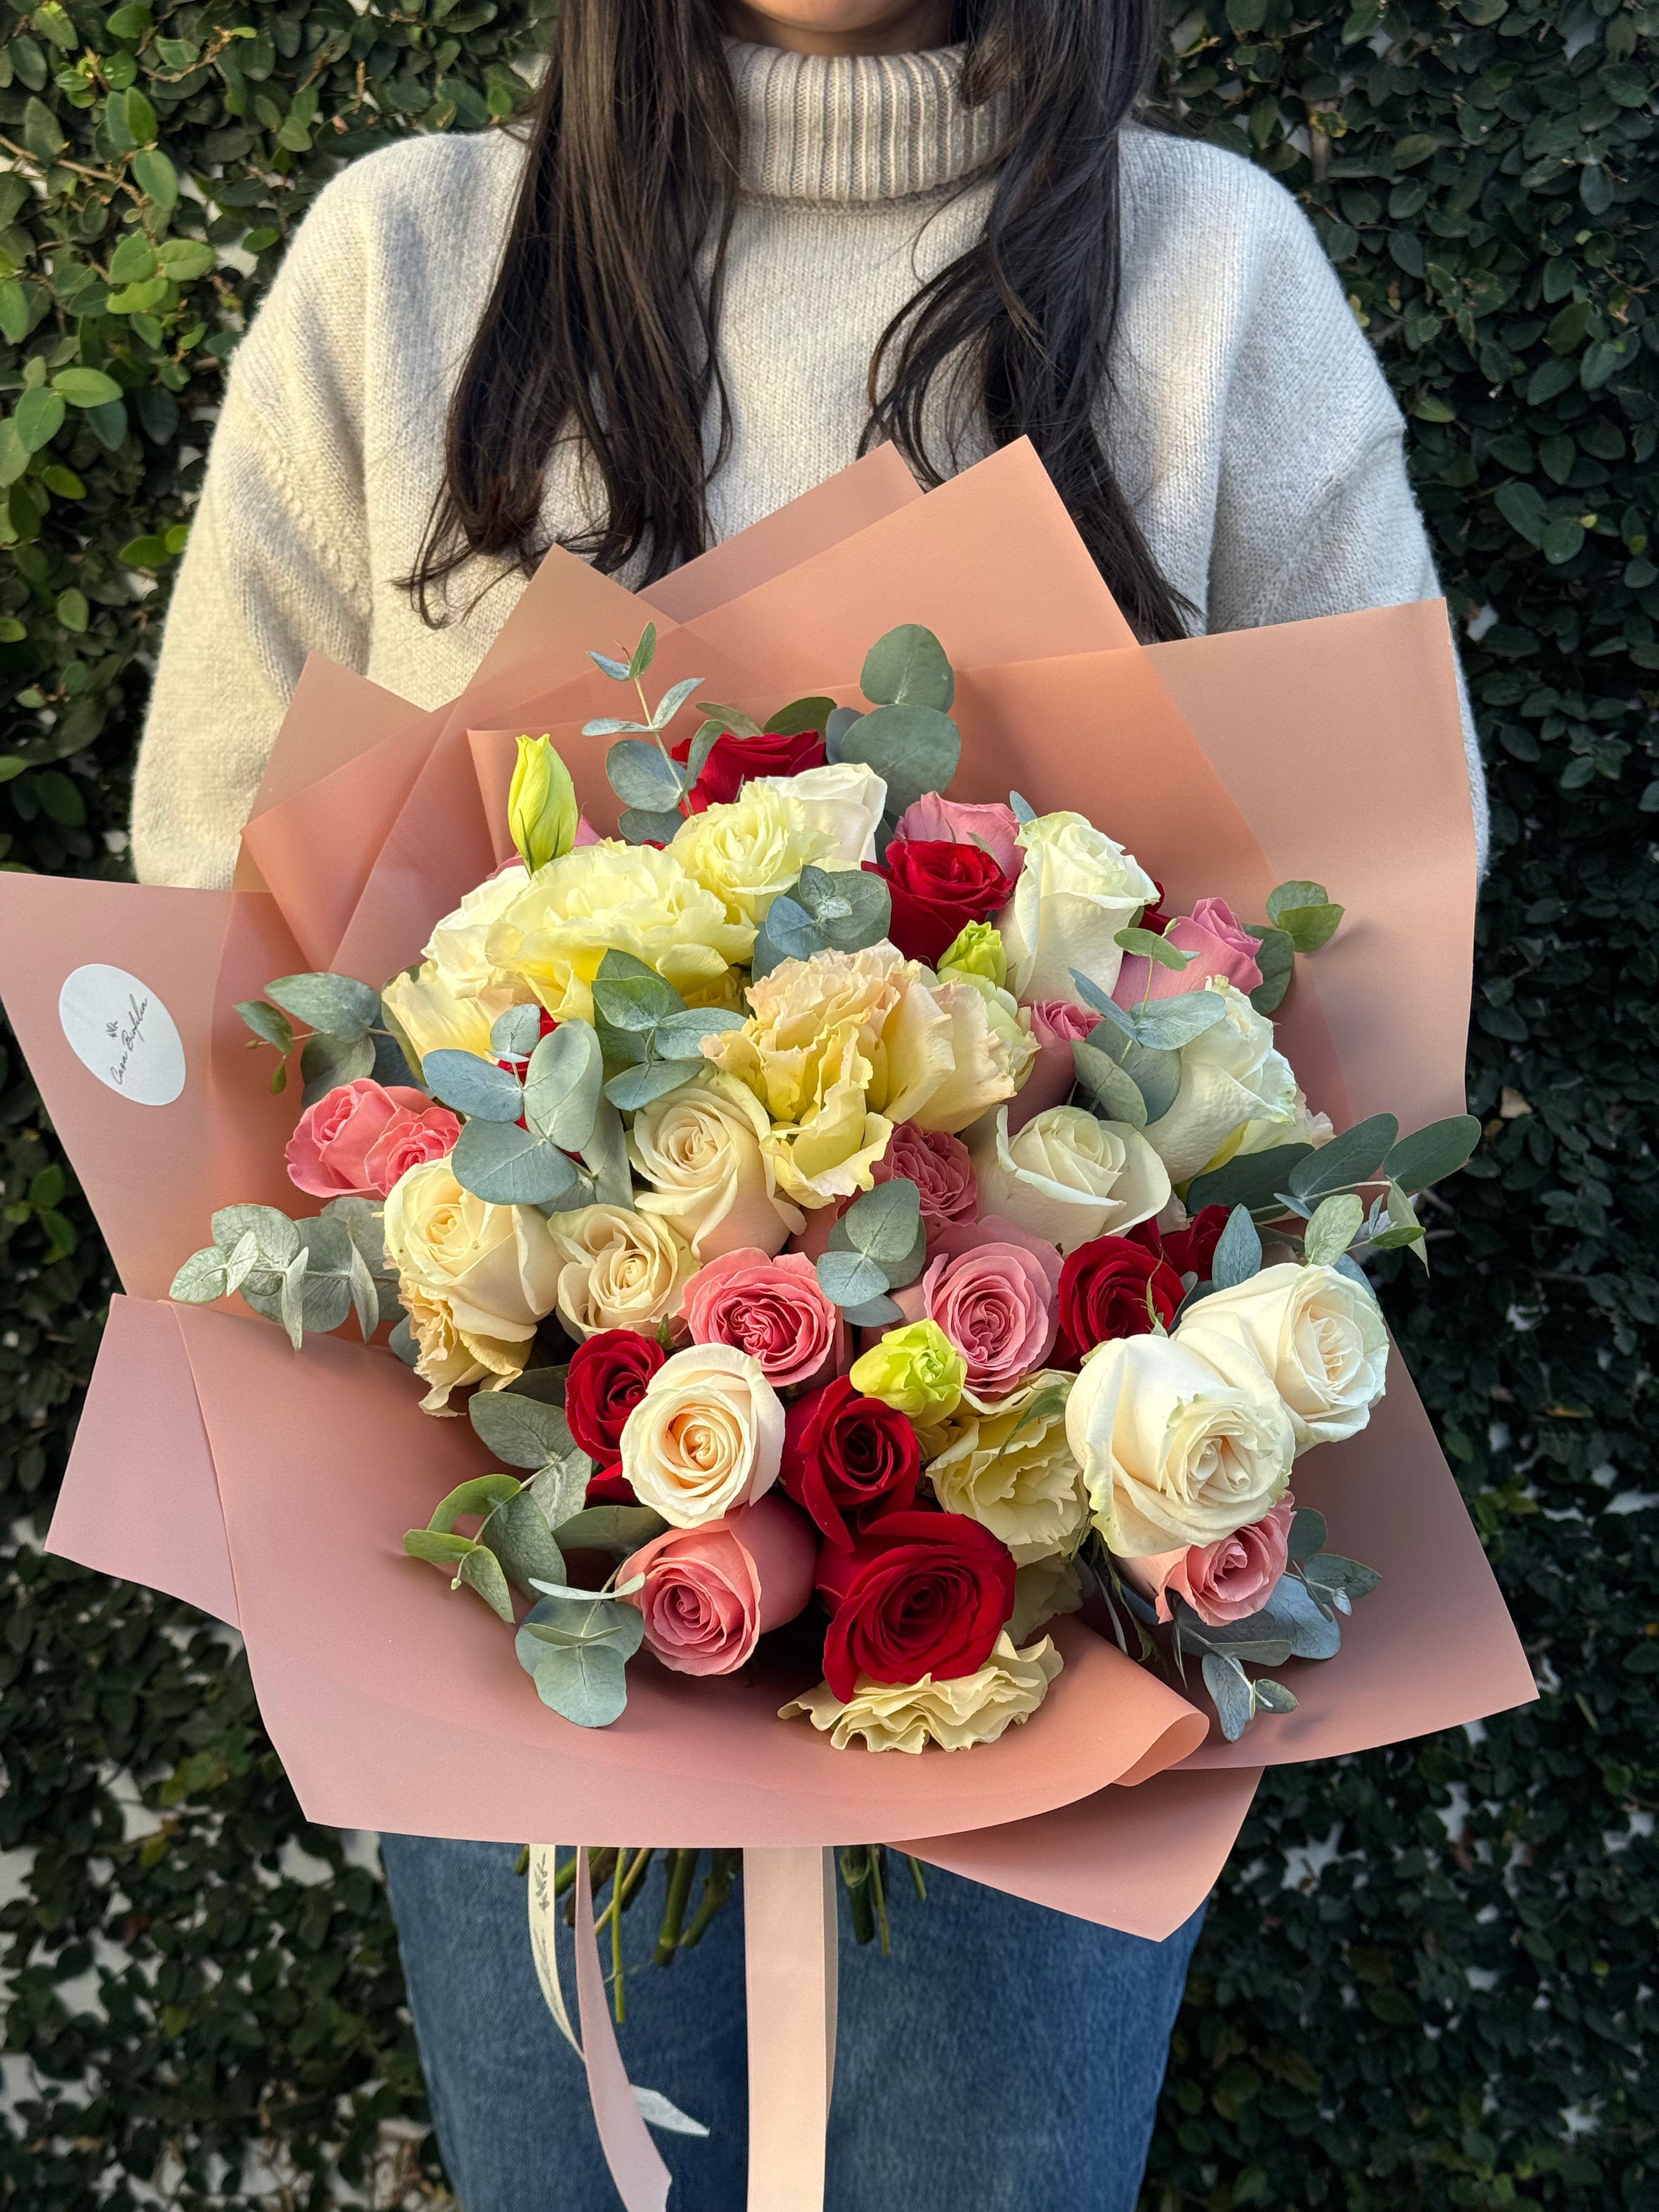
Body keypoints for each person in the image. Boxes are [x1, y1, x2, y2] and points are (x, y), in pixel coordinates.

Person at [130, 2, 1487, 2205]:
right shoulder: (410, 269)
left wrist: (1052, 1340)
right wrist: (514, 1295)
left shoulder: (1209, 278)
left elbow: (1369, 938)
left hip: (1053, 1614)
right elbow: (218, 891)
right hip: (533, 1599)